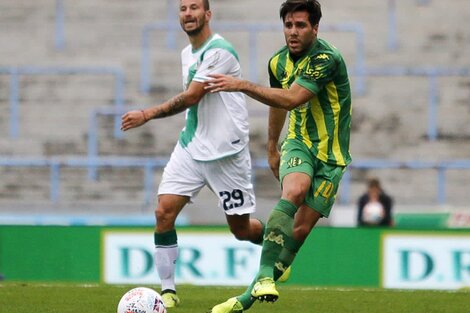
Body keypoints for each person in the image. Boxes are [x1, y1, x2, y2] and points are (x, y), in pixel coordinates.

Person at [206, 0, 352, 311]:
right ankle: (261, 279)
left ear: (315, 28)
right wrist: (272, 144)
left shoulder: (326, 58)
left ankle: (245, 299)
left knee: (298, 231)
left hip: (332, 155)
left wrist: (242, 85)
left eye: (301, 25)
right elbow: (277, 104)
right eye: (288, 25)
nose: (293, 32)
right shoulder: (278, 63)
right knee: (294, 190)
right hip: (298, 143)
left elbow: (291, 98)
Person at [121, 0, 265, 308]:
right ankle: (168, 291)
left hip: (226, 154)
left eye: (195, 7)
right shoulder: (187, 54)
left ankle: (274, 246)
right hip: (191, 146)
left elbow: (192, 96)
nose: (188, 13)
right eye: (183, 8)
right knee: (163, 213)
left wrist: (147, 113)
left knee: (241, 230)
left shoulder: (220, 51)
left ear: (207, 14)